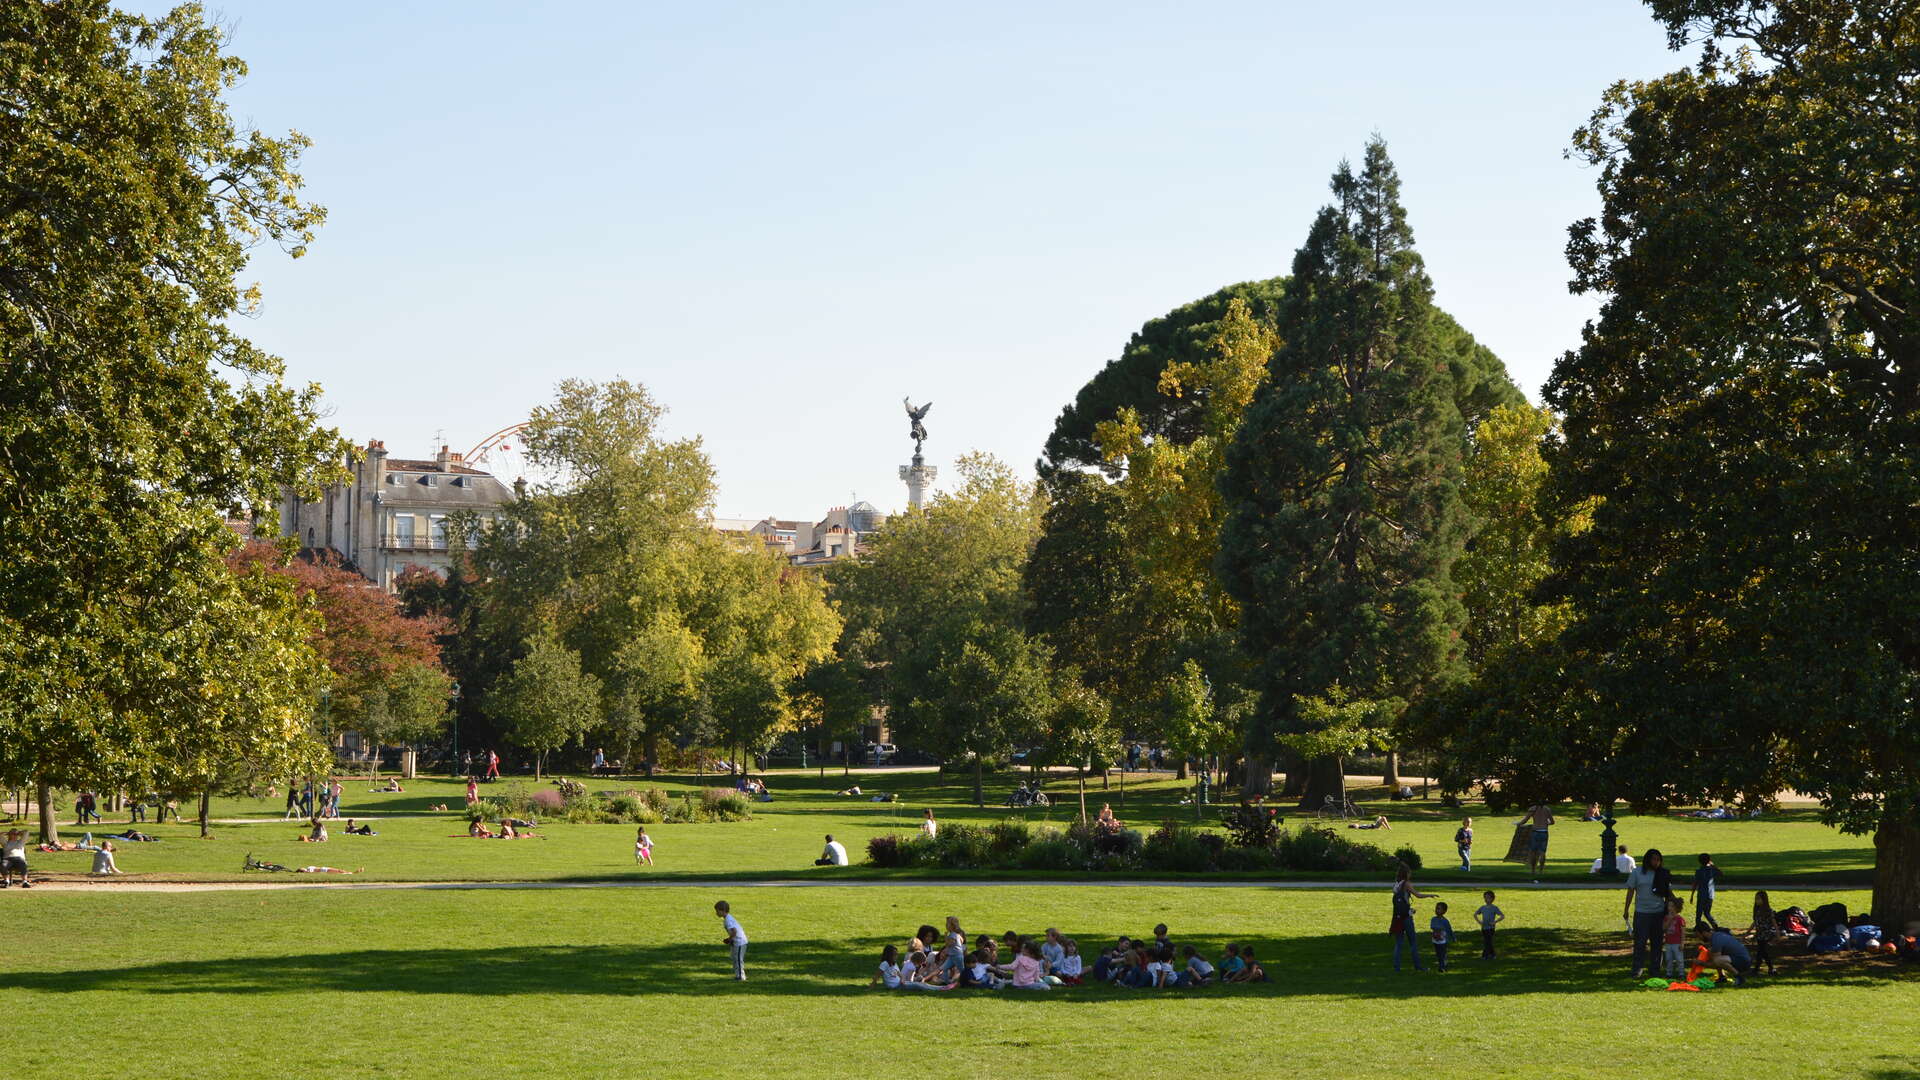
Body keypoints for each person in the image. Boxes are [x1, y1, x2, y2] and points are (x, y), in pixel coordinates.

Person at [1623, 848, 1675, 977]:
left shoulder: (1662, 873)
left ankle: (1655, 970)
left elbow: (1668, 892)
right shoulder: (1637, 872)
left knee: (1657, 943)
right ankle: (1637, 970)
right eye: (1654, 859)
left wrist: (1674, 905)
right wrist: (1626, 909)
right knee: (1640, 942)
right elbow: (1630, 891)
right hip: (1642, 912)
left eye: (1658, 860)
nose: (1656, 862)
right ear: (1648, 860)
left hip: (1658, 912)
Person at [1391, 862, 1437, 972]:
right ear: (1406, 873)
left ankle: (1397, 967)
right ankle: (1418, 966)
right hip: (1406, 916)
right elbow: (1418, 895)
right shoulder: (1407, 884)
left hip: (1397, 916)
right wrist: (1429, 895)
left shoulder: (1397, 883)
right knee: (1413, 942)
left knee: (1399, 943)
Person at [1520, 803, 1555, 881]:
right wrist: (1546, 823)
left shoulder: (1532, 809)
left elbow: (1525, 820)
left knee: (1533, 852)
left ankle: (1533, 870)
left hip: (1535, 832)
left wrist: (1518, 824)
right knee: (1542, 852)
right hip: (1544, 832)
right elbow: (1552, 822)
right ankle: (1541, 870)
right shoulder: (1547, 809)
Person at [1690, 853, 1723, 930]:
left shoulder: (1698, 871)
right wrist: (1713, 865)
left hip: (1701, 894)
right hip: (1710, 895)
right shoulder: (1712, 870)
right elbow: (1721, 873)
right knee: (1707, 912)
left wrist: (1692, 895)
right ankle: (1714, 925)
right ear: (1709, 860)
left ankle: (1698, 927)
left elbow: (1695, 883)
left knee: (1699, 912)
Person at [1749, 890, 1779, 975]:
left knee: (1761, 951)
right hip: (1759, 934)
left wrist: (1778, 933)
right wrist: (1748, 932)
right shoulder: (1757, 910)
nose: (1757, 901)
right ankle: (1767, 969)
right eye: (1756, 899)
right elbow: (1755, 923)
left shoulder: (1768, 911)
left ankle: (1759, 969)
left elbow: (1774, 923)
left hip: (1766, 934)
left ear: (1764, 900)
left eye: (1759, 899)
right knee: (1762, 952)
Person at [716, 900, 747, 980]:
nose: (716, 913)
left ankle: (741, 976)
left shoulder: (728, 920)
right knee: (734, 958)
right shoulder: (727, 918)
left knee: (738, 960)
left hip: (740, 942)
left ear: (723, 910)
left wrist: (729, 939)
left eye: (717, 911)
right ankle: (737, 975)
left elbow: (734, 931)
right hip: (736, 942)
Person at [1662, 898, 1688, 979]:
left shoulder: (1680, 919)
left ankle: (1681, 973)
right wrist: (1669, 920)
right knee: (1668, 959)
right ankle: (1669, 973)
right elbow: (1664, 928)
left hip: (1677, 943)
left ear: (1677, 908)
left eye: (1672, 906)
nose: (1670, 908)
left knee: (1679, 959)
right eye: (1669, 906)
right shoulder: (1666, 918)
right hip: (1668, 943)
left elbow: (1683, 932)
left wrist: (1682, 943)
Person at [1475, 890, 1504, 959]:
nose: (1486, 899)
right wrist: (1479, 922)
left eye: (1488, 898)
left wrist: (1495, 922)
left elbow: (1502, 916)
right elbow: (1475, 914)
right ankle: (1493, 954)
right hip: (1484, 928)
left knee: (1488, 942)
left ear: (1492, 899)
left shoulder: (1494, 908)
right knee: (1487, 941)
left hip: (1491, 928)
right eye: (1485, 897)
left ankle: (1485, 955)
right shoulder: (1482, 907)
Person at [1430, 901, 1455, 972]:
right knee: (1438, 954)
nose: (1437, 910)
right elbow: (1432, 926)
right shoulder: (1433, 919)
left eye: (1439, 909)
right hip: (1435, 940)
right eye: (1436, 908)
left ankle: (1442, 967)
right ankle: (1441, 964)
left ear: (1444, 911)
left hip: (1443, 940)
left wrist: (1453, 937)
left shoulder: (1445, 921)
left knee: (1443, 954)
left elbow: (1449, 929)